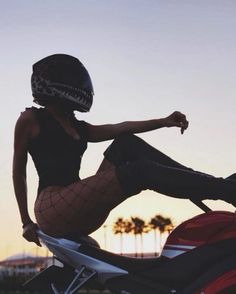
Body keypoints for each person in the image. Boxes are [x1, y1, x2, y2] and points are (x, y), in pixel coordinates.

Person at [13, 54, 236, 247]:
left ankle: (207, 185)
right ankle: (224, 189)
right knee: (138, 172)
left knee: (126, 144)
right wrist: (25, 222)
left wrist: (164, 121)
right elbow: (18, 172)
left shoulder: (78, 127)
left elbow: (121, 128)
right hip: (53, 207)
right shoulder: (31, 119)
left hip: (83, 209)